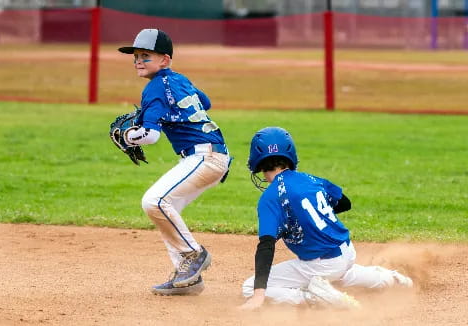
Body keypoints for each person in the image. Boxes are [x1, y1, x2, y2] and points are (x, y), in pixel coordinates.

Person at [239, 126, 413, 310]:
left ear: (258, 162)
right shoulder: (311, 179)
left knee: (249, 287)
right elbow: (345, 203)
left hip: (321, 265)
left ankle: (311, 297)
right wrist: (305, 216)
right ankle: (392, 279)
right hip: (346, 252)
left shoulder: (270, 198)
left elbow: (266, 245)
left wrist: (259, 295)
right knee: (342, 273)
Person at [117, 29, 231, 296]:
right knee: (166, 211)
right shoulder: (178, 79)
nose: (138, 61)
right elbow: (205, 102)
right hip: (212, 155)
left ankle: (194, 255)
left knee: (154, 202)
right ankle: (187, 278)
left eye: (145, 56)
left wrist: (127, 136)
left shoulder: (155, 87)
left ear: (164, 60)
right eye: (135, 56)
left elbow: (151, 135)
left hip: (205, 157)